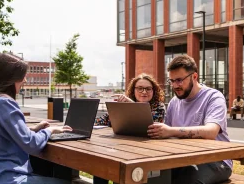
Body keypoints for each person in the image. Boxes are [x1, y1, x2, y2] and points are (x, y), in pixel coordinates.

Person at [0, 53, 72, 184]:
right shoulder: (4, 103)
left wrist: (33, 129)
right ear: (11, 77)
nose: (25, 80)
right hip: (3, 179)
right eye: (22, 76)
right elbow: (32, 145)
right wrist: (50, 131)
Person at [147, 55, 232, 184]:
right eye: (172, 81)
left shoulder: (213, 97)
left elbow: (211, 132)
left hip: (215, 160)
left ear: (194, 77)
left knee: (185, 179)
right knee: (147, 175)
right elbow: (166, 137)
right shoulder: (174, 102)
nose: (175, 85)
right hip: (183, 158)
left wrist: (170, 131)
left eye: (180, 80)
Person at [95, 73, 165, 126]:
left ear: (154, 91)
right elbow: (100, 122)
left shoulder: (159, 107)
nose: (144, 92)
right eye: (140, 88)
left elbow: (150, 127)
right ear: (133, 90)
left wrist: (131, 105)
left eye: (148, 89)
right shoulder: (125, 104)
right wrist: (116, 110)